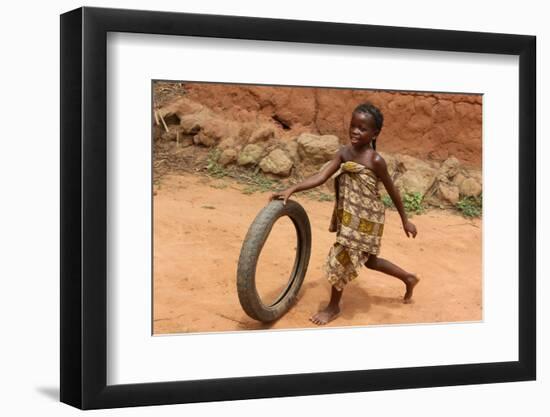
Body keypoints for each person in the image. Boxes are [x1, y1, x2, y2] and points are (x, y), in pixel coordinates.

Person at [269, 102, 420, 325]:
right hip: (349, 215)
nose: (356, 131)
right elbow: (321, 177)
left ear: (374, 133)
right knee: (370, 261)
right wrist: (292, 189)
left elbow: (392, 190)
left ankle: (332, 307)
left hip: (367, 217)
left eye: (363, 128)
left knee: (341, 258)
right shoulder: (344, 153)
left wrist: (405, 220)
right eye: (353, 126)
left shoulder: (375, 160)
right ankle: (408, 278)